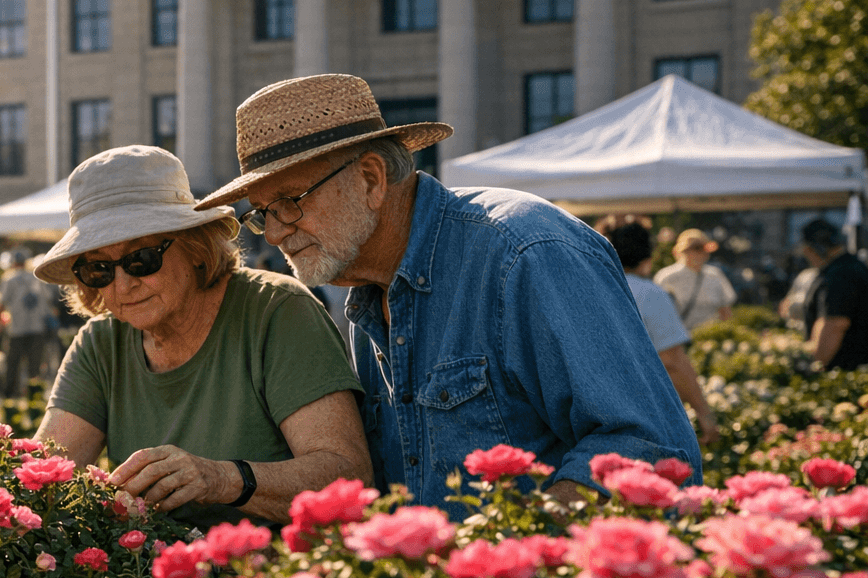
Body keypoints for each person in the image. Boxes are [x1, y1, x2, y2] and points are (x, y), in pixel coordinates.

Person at [193, 74, 701, 513]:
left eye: (289, 202)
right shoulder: (368, 293)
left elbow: (649, 448)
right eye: (262, 213)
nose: (275, 233)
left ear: (370, 179)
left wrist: (517, 552)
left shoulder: (523, 252)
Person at [35, 145, 371, 529]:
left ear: (195, 245)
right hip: (152, 566)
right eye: (98, 269)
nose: (123, 285)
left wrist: (223, 479)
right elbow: (44, 475)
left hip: (268, 563)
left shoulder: (276, 310)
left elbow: (348, 476)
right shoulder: (100, 343)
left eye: (141, 259)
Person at [600, 219, 719, 444]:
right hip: (636, 417)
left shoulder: (587, 289)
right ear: (647, 256)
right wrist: (705, 414)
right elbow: (672, 360)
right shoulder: (648, 293)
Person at [798, 217, 868, 370]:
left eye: (806, 251)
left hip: (844, 370)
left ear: (815, 248)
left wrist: (814, 368)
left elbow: (834, 324)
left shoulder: (839, 275)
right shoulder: (853, 266)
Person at [0, 248, 55, 399]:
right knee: (34, 366)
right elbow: (48, 300)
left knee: (13, 365)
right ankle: (33, 397)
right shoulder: (37, 278)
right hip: (37, 328)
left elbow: (1, 303)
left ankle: (10, 397)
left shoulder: (9, 278)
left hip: (16, 329)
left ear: (13, 262)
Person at [654, 229, 736, 332]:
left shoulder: (715, 275)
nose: (702, 253)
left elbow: (725, 311)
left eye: (704, 248)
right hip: (679, 336)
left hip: (709, 336)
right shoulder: (667, 276)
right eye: (697, 248)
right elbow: (657, 313)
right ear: (684, 251)